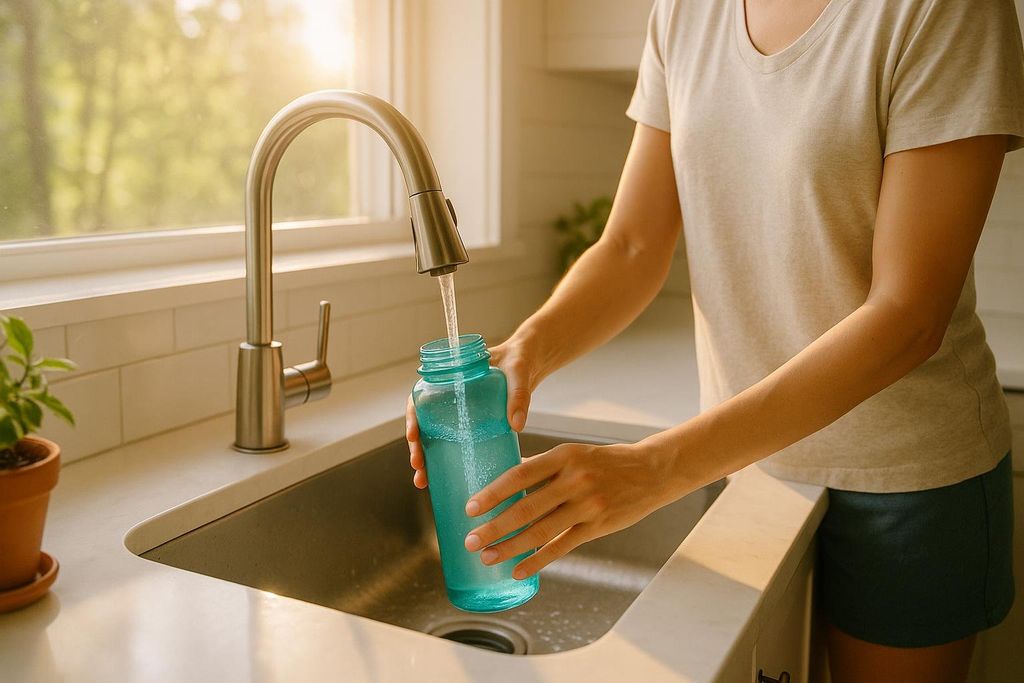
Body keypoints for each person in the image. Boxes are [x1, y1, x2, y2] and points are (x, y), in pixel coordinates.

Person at [407, 1, 1023, 680]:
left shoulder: (943, 10)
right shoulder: (684, 12)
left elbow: (909, 315)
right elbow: (634, 244)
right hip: (748, 470)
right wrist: (529, 347)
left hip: (905, 483)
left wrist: (656, 468)